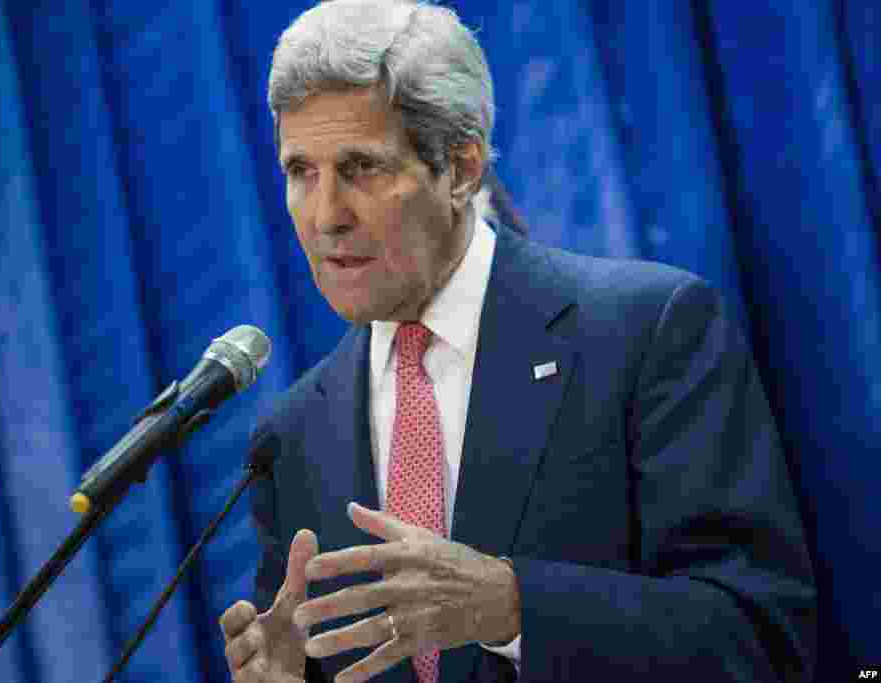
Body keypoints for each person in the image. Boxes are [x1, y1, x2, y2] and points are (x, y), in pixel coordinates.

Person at [218, 1, 816, 681]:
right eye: (301, 171)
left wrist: (513, 607)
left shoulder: (647, 333)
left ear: (462, 168)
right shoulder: (294, 437)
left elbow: (760, 639)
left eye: (362, 167)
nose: (327, 215)